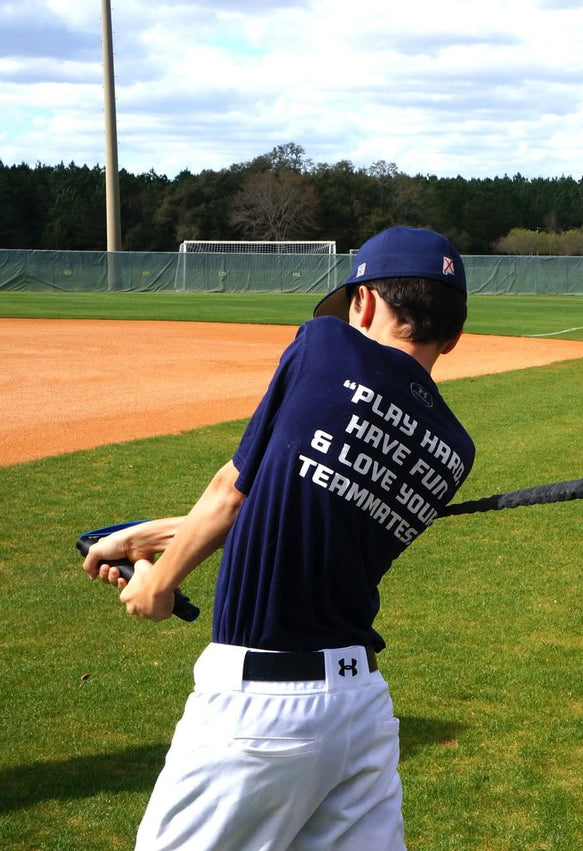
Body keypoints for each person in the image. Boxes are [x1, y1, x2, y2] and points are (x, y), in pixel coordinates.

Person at [82, 225, 476, 850]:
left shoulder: (327, 345)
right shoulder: (455, 449)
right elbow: (296, 506)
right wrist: (145, 538)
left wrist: (160, 583)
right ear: (453, 336)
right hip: (360, 709)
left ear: (365, 303)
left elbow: (232, 491)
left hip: (261, 706)